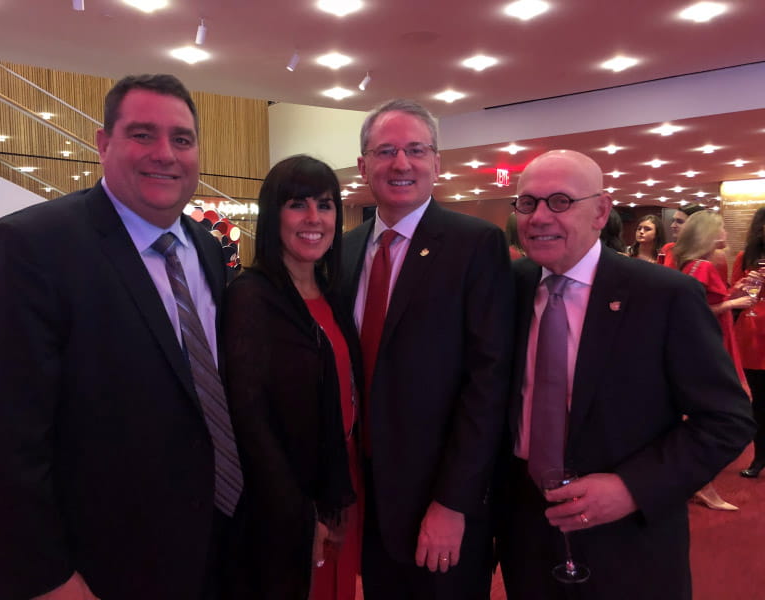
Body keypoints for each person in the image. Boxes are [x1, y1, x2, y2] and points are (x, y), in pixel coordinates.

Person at [0, 74, 244, 600]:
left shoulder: (206, 250)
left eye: (182, 139)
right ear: (103, 143)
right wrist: (45, 578)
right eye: (142, 134)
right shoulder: (28, 248)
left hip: (203, 550)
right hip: (88, 570)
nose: (165, 153)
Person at [495, 149, 754, 600]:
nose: (538, 217)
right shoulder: (505, 287)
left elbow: (727, 420)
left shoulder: (664, 295)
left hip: (629, 536)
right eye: (527, 203)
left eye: (559, 201)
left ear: (600, 211)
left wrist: (634, 487)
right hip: (526, 526)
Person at [342, 99, 513, 599]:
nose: (401, 163)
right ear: (363, 166)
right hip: (366, 495)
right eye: (386, 151)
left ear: (437, 163)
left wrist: (454, 502)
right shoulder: (345, 250)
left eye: (416, 150)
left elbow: (489, 380)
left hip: (440, 500)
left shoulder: (475, 244)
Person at [223, 155, 360, 600]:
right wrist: (300, 515)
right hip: (288, 497)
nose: (313, 218)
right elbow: (251, 422)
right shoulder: (251, 297)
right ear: (272, 215)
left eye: (325, 205)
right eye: (297, 204)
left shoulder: (332, 293)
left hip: (341, 480)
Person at [673, 210, 754, 510]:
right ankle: (700, 483)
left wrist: (736, 294)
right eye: (720, 227)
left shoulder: (695, 265)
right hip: (710, 344)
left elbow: (707, 303)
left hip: (712, 341)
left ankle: (701, 484)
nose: (725, 232)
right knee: (720, 415)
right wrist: (735, 302)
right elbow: (695, 310)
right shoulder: (701, 266)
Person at [732, 206, 765, 478]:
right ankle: (760, 456)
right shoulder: (746, 257)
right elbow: (733, 293)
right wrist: (744, 285)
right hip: (753, 334)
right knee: (760, 401)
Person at [661, 203, 704, 267]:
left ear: (695, 225)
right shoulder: (668, 248)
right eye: (673, 221)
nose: (672, 226)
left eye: (679, 222)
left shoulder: (706, 253)